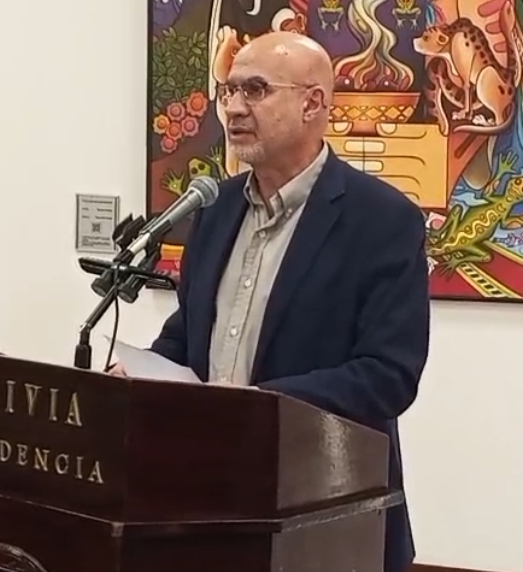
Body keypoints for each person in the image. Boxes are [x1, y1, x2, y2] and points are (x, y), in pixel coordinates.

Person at [111, 31, 429, 572]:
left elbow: (387, 375)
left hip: (322, 516)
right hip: (203, 508)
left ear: (313, 103)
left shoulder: (381, 220)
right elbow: (190, 334)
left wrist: (255, 404)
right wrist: (143, 375)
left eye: (255, 90)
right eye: (228, 91)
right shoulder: (213, 210)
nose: (234, 108)